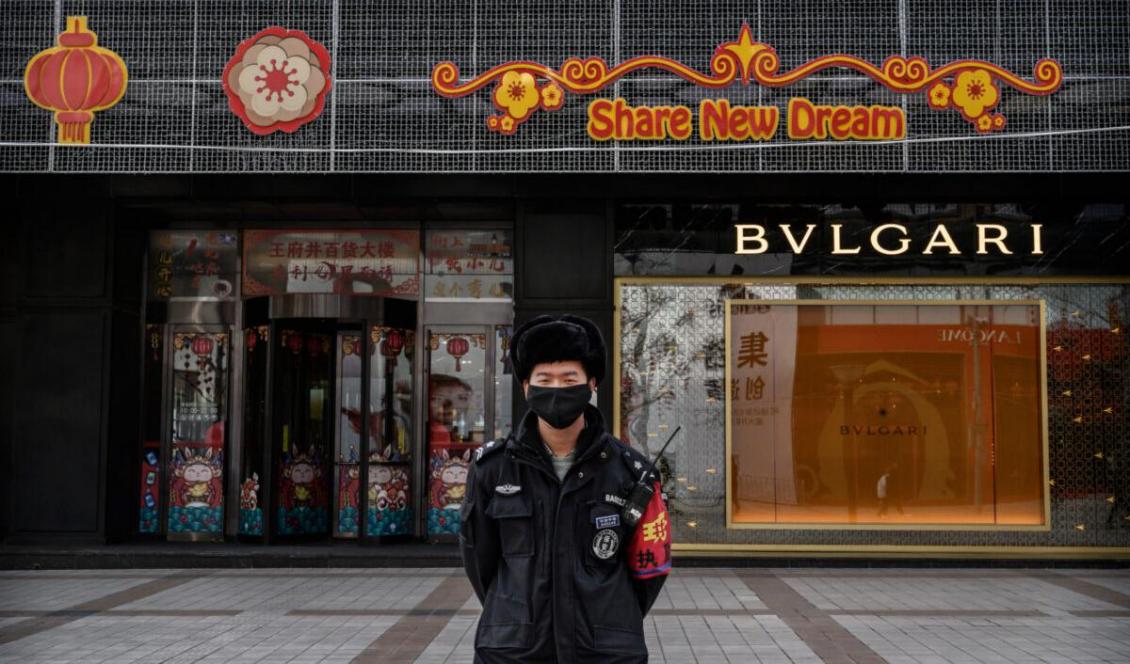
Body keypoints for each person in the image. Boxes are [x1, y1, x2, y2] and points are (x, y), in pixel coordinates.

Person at [460, 314, 671, 663]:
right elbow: (479, 562)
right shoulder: (492, 470)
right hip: (514, 649)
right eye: (545, 379)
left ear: (591, 384)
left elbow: (650, 569)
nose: (557, 389)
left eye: (569, 378)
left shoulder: (632, 473)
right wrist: (512, 613)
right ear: (526, 386)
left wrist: (614, 616)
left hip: (606, 651)